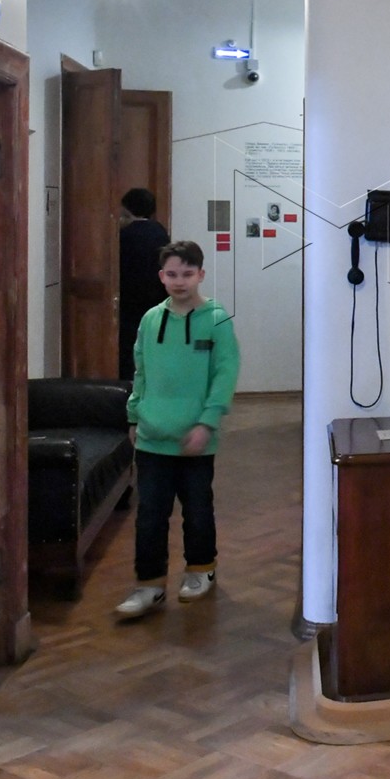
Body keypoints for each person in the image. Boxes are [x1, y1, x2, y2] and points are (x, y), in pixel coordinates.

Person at [115, 240, 240, 619]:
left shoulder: (216, 319)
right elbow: (140, 371)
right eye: (172, 274)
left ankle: (201, 571)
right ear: (161, 277)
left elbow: (225, 373)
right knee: (150, 515)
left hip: (196, 440)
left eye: (187, 273)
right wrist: (134, 416)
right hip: (153, 438)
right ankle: (149, 585)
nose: (179, 281)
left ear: (201, 275)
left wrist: (207, 422)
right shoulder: (150, 319)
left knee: (197, 511)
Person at [118, 188, 170, 380]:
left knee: (129, 350)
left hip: (130, 300)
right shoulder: (160, 232)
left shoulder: (125, 235)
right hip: (157, 298)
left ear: (127, 209)